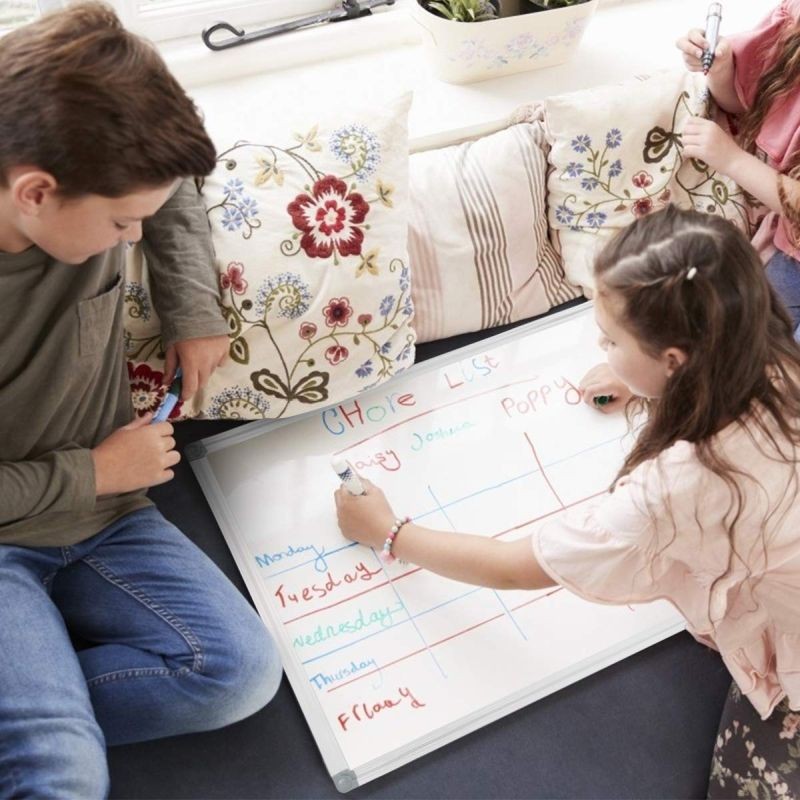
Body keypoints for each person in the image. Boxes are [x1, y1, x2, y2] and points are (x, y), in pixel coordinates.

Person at [335, 206, 800, 797]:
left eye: (611, 340)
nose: (600, 346)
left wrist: (389, 531)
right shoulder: (773, 349)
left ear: (675, 360)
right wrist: (647, 384)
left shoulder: (682, 484)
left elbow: (517, 567)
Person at [0, 4, 281, 796]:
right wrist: (95, 471)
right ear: (35, 192)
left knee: (237, 674)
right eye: (123, 223)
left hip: (107, 517)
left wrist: (193, 304)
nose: (134, 239)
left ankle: (37, 708)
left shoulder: (76, 153)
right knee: (62, 773)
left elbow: (172, 178)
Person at [676, 0, 800, 339]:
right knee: (738, 340)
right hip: (791, 252)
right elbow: (749, 103)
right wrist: (721, 70)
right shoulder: (792, 19)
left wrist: (732, 159)